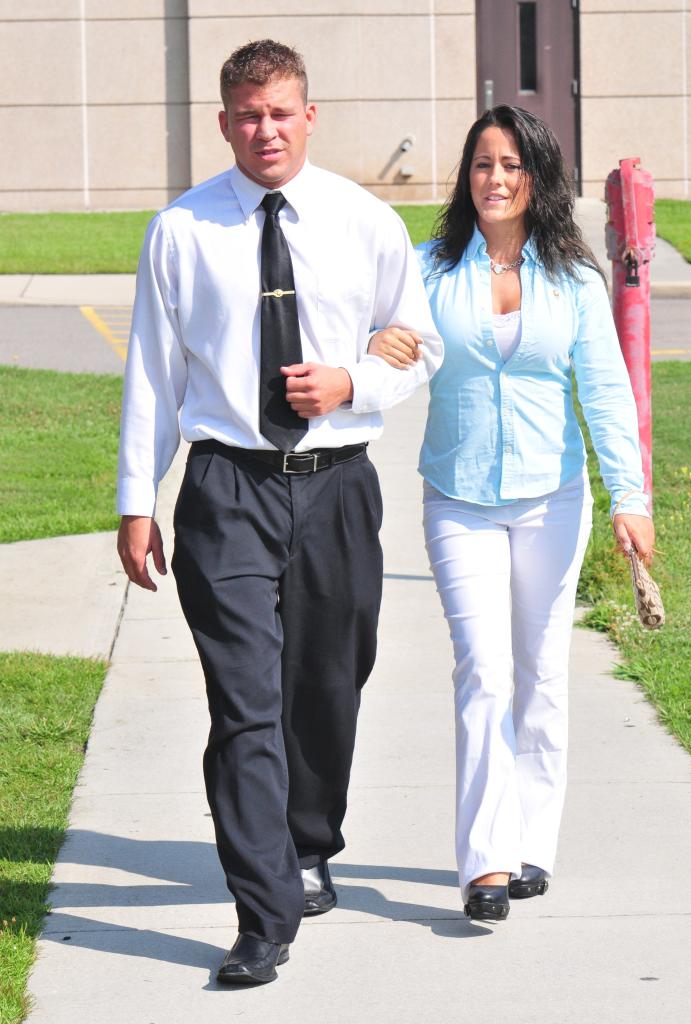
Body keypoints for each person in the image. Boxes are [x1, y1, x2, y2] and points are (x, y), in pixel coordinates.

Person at [116, 39, 442, 983]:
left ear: (311, 116)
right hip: (227, 488)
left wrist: (352, 381)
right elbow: (152, 374)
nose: (266, 130)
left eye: (282, 112)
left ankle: (308, 839)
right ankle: (263, 913)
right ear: (225, 124)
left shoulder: (365, 222)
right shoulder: (180, 232)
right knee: (244, 704)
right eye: (248, 115)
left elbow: (421, 347)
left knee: (329, 687)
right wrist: (139, 500)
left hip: (338, 485)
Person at [369, 105, 654, 921]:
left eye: (512, 165)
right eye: (483, 164)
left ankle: (533, 842)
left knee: (542, 677)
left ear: (539, 177)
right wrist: (376, 347)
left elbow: (604, 393)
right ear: (468, 176)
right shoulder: (428, 269)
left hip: (553, 499)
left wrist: (630, 499)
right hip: (457, 500)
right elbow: (386, 343)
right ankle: (485, 862)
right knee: (484, 673)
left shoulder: (571, 278)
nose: (496, 179)